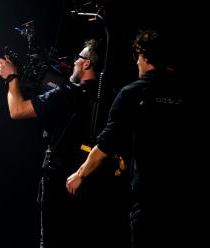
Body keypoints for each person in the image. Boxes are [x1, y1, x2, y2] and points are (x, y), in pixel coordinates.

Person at [0, 39, 127, 248]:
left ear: (87, 64)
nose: (74, 61)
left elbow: (17, 110)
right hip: (95, 184)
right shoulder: (112, 99)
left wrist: (11, 77)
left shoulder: (65, 94)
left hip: (59, 181)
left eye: (79, 58)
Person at [66, 29, 188, 247]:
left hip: (148, 199)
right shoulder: (183, 89)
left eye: (137, 57)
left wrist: (80, 174)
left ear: (143, 55)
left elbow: (106, 144)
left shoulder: (132, 93)